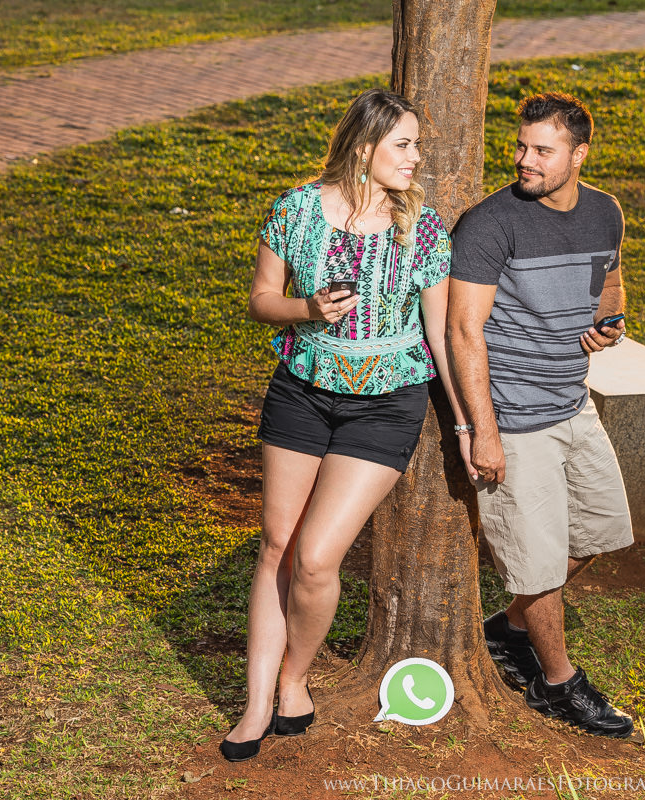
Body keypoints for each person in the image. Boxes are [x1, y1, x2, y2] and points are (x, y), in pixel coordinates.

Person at [222, 88, 471, 762]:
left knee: (315, 558)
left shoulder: (420, 227)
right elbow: (260, 302)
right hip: (300, 393)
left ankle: (294, 679)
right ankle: (254, 704)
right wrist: (307, 307)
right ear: (364, 150)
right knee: (276, 545)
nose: (417, 158)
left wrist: (469, 423)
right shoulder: (295, 211)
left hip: (386, 402)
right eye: (404, 145)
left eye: (416, 144)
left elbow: (442, 336)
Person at [448, 91, 635, 738]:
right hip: (514, 414)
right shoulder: (489, 223)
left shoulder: (604, 211)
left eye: (542, 150)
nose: (525, 160)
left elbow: (609, 284)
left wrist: (609, 325)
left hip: (571, 402)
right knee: (540, 561)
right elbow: (463, 332)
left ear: (578, 155)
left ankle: (510, 625)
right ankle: (557, 685)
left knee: (603, 531)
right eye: (521, 146)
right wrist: (483, 432)